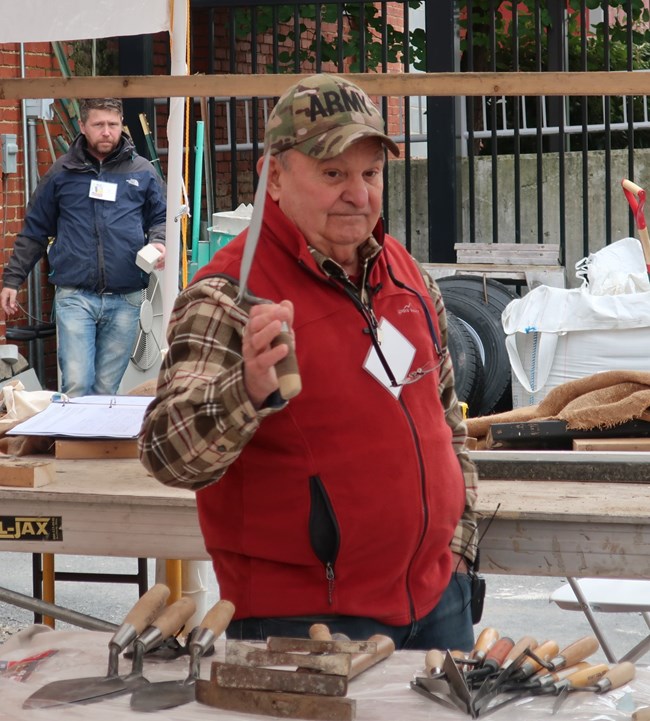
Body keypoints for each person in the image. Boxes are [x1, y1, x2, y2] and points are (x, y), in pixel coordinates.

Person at [139, 74, 479, 651]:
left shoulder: (406, 274)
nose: (359, 193)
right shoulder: (226, 295)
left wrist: (460, 546)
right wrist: (244, 391)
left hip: (437, 601)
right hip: (305, 625)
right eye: (333, 174)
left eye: (369, 173)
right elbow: (167, 456)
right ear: (274, 179)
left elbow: (447, 419)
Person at [0, 98, 167, 397]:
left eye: (112, 125)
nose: (106, 132)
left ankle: (94, 444)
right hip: (75, 296)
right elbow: (35, 229)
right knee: (76, 384)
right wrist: (13, 279)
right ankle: (71, 444)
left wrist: (159, 241)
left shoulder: (142, 171)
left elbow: (161, 217)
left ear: (121, 126)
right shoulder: (61, 172)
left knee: (105, 390)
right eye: (99, 125)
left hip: (126, 298)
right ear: (83, 127)